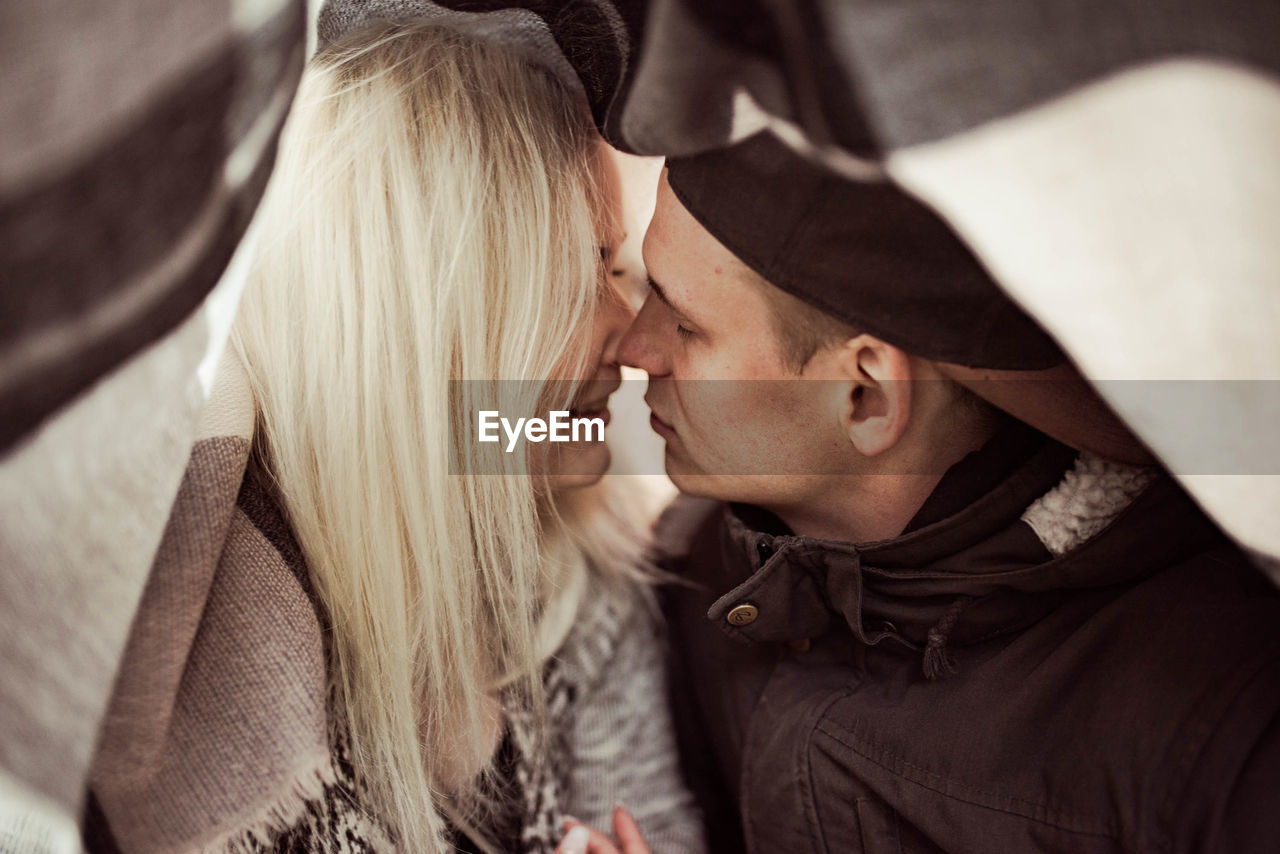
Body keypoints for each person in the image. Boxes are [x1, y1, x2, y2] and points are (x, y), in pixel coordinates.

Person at [82, 8, 706, 853]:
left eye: (623, 270)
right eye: (588, 271)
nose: (634, 338)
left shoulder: (579, 581)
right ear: (440, 330)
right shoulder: (189, 650)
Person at [608, 130, 1280, 853]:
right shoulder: (697, 571)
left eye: (683, 322)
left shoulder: (1220, 728)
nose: (633, 350)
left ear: (865, 395)